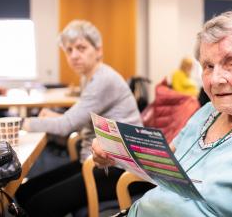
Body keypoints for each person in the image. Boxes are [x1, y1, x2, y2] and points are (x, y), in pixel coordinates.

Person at [92, 11, 232, 216]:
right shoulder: (209, 111)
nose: (215, 80)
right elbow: (160, 164)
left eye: (231, 63)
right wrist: (115, 153)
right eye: (208, 66)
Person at [15, 20, 151, 216]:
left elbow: (65, 126)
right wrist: (57, 116)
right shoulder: (89, 77)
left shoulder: (104, 79)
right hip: (94, 161)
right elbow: (80, 118)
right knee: (25, 190)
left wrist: (20, 123)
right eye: (69, 50)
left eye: (81, 48)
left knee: (37, 204)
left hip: (119, 168)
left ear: (98, 50)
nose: (74, 55)